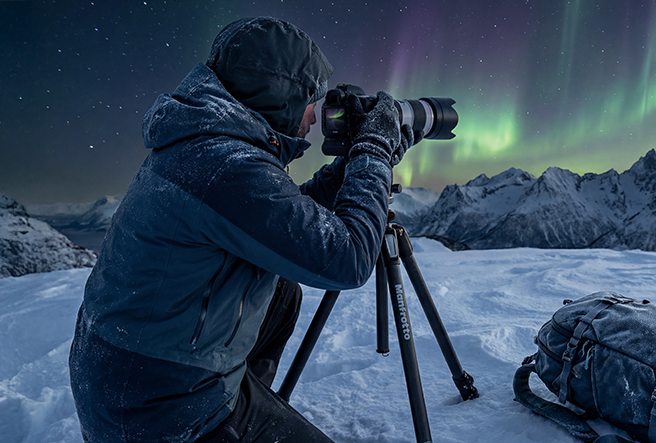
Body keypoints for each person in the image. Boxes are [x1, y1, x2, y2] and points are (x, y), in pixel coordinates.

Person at [68, 17, 419, 442]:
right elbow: (346, 259)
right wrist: (374, 152)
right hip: (160, 406)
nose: (315, 115)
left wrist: (350, 167)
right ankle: (229, 419)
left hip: (133, 371)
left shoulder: (209, 145)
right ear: (279, 92)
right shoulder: (224, 165)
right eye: (310, 97)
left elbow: (280, 218)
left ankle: (244, 395)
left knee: (282, 291)